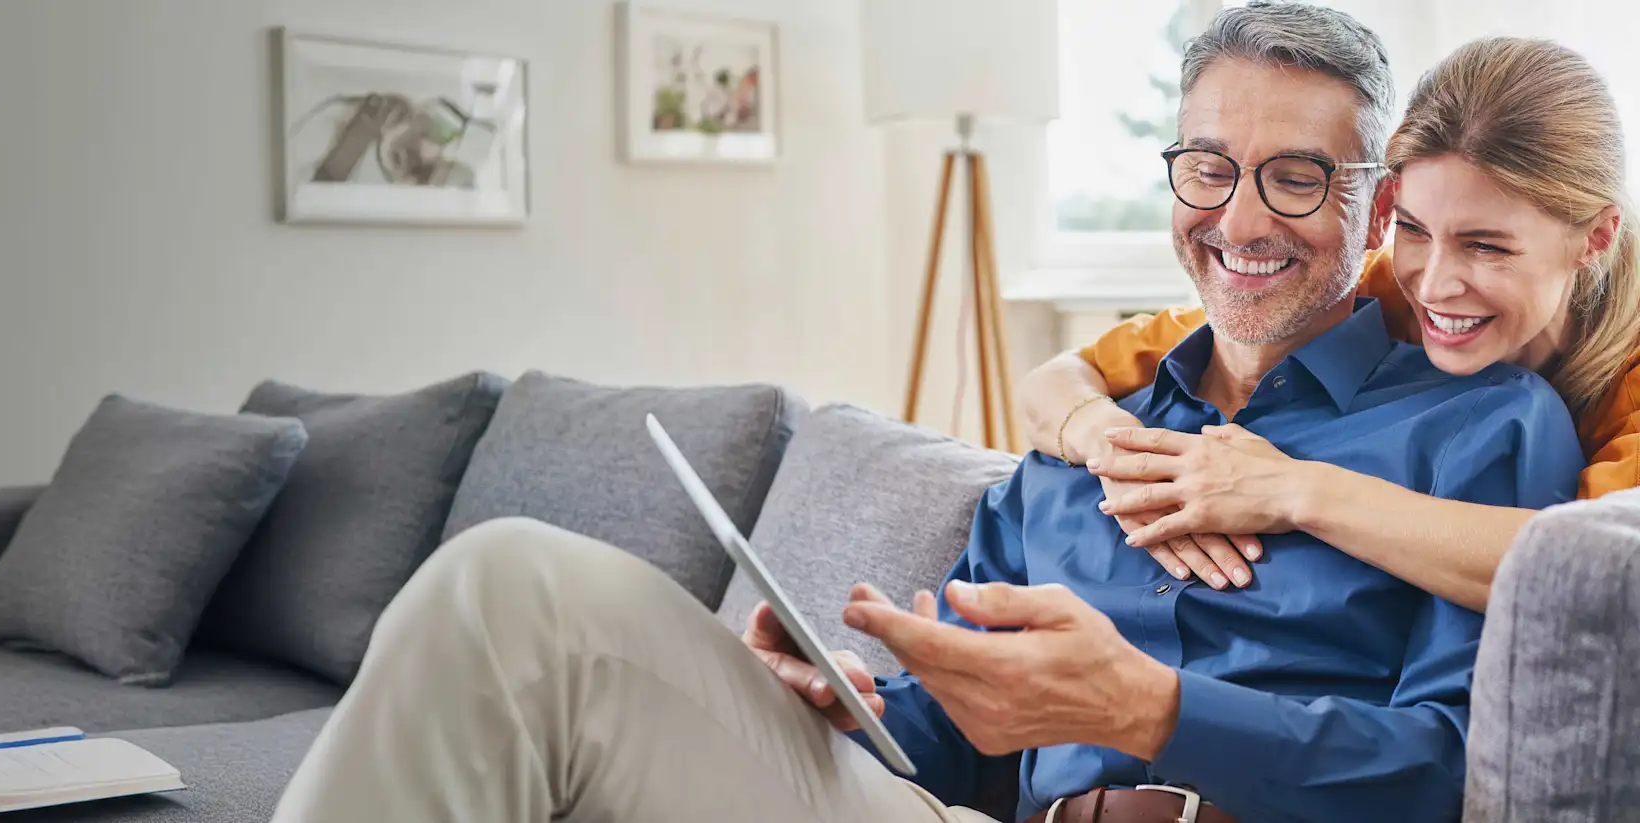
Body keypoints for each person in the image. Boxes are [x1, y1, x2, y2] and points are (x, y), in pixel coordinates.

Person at [267, 4, 1583, 823]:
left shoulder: (1479, 428)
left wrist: (1148, 705)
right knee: (511, 587)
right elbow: (952, 741)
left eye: (1299, 177)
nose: (1240, 219)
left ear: (1374, 206)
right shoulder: (1085, 432)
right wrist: (861, 702)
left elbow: (1457, 774)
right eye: (1208, 166)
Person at [1024, 37, 1640, 611]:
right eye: (1415, 230)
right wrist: (1108, 444)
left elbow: (1597, 574)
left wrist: (1294, 491)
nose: (1433, 284)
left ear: (1596, 237)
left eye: (1486, 247)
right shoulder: (1373, 290)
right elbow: (1060, 379)